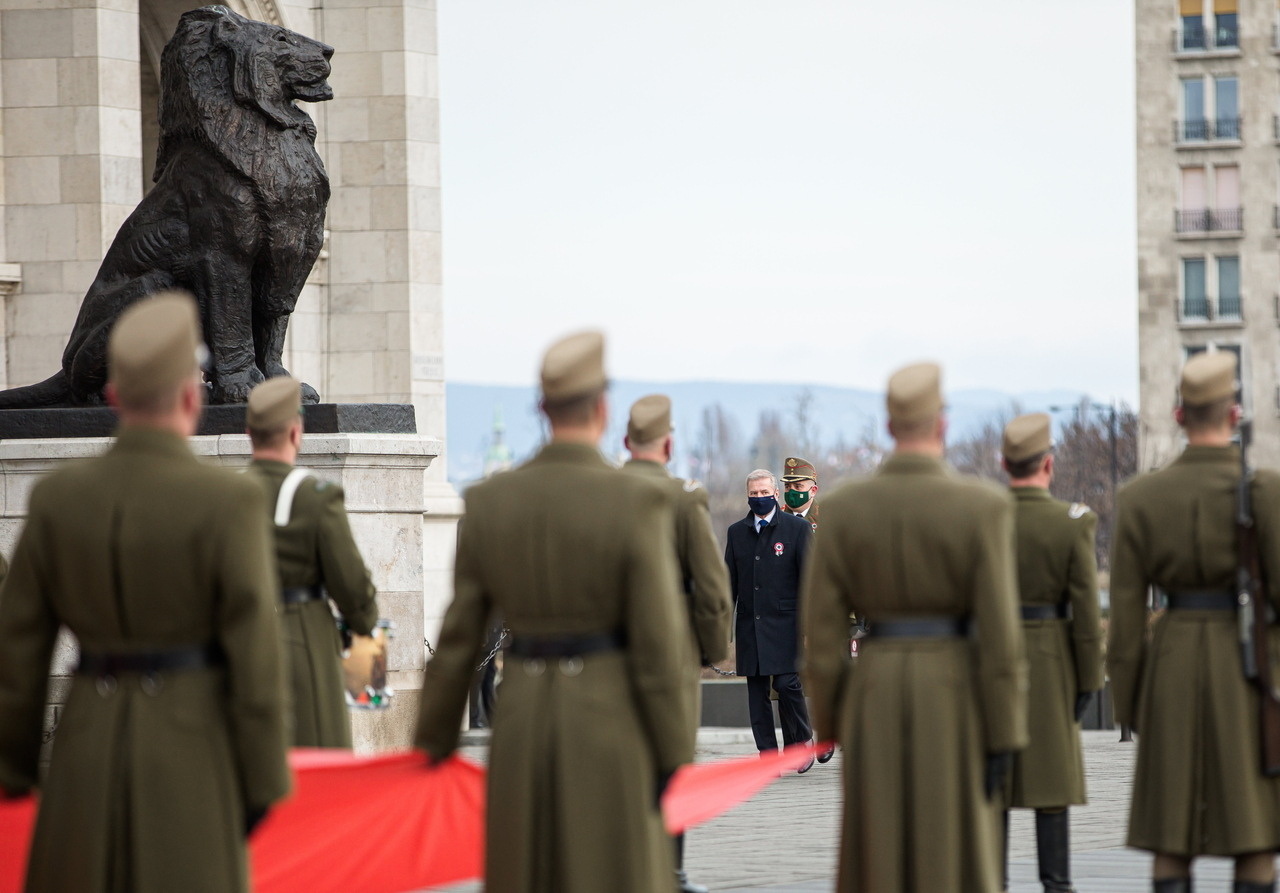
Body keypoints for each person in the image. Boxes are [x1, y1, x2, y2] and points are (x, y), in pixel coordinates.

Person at [0, 292, 290, 893]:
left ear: (112, 396)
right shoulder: (229, 502)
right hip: (193, 757)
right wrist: (263, 784)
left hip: (84, 753)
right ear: (192, 393)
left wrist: (12, 774)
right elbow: (256, 659)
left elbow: (18, 658)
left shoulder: (58, 500)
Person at [414, 331, 692, 893]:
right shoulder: (639, 501)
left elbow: (458, 640)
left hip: (521, 720)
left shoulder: (493, 502)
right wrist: (673, 756)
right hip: (611, 720)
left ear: (541, 408)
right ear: (603, 408)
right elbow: (660, 643)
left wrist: (432, 745)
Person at [801, 361, 1028, 893]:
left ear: (888, 426)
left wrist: (831, 722)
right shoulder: (983, 507)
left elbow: (822, 634)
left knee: (876, 856)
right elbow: (1000, 639)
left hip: (873, 693)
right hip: (955, 696)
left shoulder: (843, 509)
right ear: (942, 425)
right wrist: (1005, 735)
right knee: (952, 851)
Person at [1109, 351, 1280, 893]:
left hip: (1172, 667)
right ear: (1235, 414)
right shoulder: (1269, 492)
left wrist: (1134, 707)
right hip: (1250, 670)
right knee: (1254, 837)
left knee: (1171, 839)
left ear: (1180, 417)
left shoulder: (1141, 498)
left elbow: (1125, 624)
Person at [622, 393, 733, 893]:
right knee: (672, 762)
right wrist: (711, 652)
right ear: (668, 444)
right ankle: (671, 869)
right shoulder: (686, 497)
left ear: (626, 443)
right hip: (670, 655)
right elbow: (711, 590)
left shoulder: (603, 492)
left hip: (609, 655)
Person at [243, 375, 379, 748]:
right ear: (294, 431)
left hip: (237, 645)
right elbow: (351, 585)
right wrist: (363, 622)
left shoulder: (223, 497)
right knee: (317, 766)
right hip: (303, 643)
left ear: (249, 432)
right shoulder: (315, 497)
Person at [999, 413, 1103, 893]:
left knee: (992, 787)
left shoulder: (982, 518)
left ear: (1003, 463)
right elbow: (1085, 616)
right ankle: (1056, 883)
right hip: (1050, 662)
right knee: (1051, 788)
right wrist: (1087, 682)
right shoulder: (1071, 524)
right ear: (1049, 464)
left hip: (993, 658)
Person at [725, 468, 819, 770]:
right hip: (751, 623)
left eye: (765, 493)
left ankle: (800, 743)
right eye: (754, 494)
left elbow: (810, 581)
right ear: (747, 496)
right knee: (757, 691)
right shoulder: (736, 532)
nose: (759, 498)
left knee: (788, 683)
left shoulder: (796, 529)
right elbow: (729, 582)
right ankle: (767, 756)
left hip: (787, 624)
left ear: (775, 494)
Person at [781, 456, 820, 532]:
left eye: (798, 486)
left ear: (813, 491)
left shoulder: (826, 516)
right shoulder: (777, 517)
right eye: (787, 486)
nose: (791, 492)